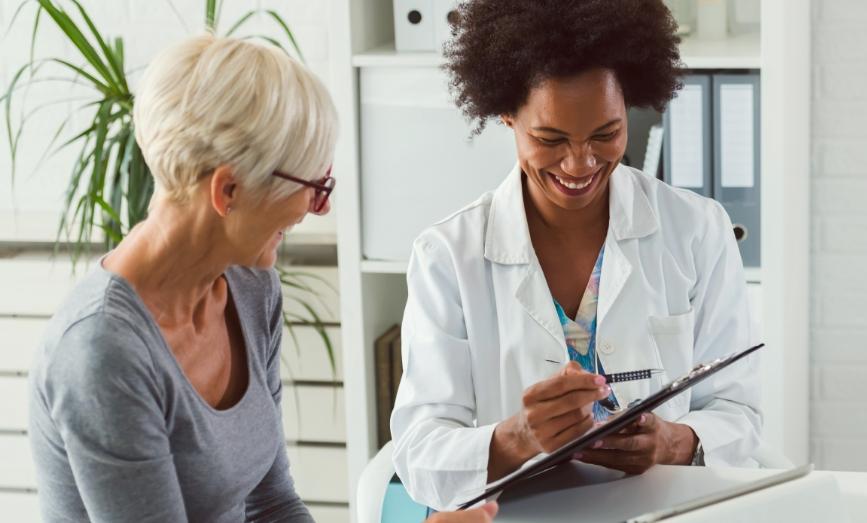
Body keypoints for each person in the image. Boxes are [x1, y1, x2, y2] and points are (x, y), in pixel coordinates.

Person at [391, 0, 762, 511]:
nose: (580, 163)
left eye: (606, 134)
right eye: (550, 139)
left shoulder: (697, 230)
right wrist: (516, 439)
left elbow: (740, 412)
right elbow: (418, 454)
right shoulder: (447, 256)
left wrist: (673, 441)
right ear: (505, 112)